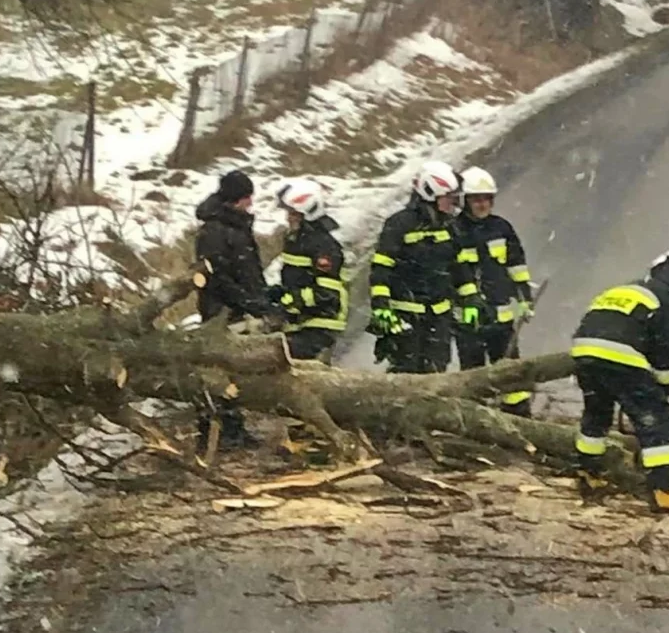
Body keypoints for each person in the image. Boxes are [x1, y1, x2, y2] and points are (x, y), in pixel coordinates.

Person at [570, 250, 669, 512]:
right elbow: (667, 352)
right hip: (619, 354)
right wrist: (660, 391)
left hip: (584, 351)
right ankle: (663, 490)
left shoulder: (627, 289)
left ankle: (588, 473)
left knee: (597, 411)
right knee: (656, 418)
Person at [368, 160, 481, 373]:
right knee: (405, 372)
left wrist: (471, 297)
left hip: (439, 318)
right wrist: (381, 304)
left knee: (436, 372)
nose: (453, 204)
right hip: (406, 315)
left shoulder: (450, 227)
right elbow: (382, 267)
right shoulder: (399, 224)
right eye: (448, 198)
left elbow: (461, 268)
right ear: (431, 193)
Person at [193, 169, 272, 448]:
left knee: (234, 370)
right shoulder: (216, 231)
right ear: (236, 199)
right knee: (221, 371)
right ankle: (218, 430)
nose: (250, 203)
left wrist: (260, 296)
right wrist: (246, 301)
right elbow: (218, 278)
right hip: (222, 311)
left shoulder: (234, 225)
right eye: (247, 198)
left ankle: (232, 428)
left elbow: (246, 267)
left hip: (239, 307)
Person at [453, 166, 534, 416]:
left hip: (501, 315)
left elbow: (517, 264)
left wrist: (525, 298)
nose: (483, 204)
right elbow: (454, 272)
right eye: (477, 199)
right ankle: (477, 421)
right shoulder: (453, 230)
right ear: (465, 201)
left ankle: (519, 416)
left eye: (487, 198)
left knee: (511, 373)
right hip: (469, 318)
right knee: (473, 374)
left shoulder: (501, 228)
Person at [266, 179, 348, 361]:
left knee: (276, 356)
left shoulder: (324, 246)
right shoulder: (297, 240)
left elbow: (327, 294)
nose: (288, 218)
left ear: (307, 213)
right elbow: (298, 279)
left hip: (321, 324)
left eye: (293, 214)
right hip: (301, 322)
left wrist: (291, 300)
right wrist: (277, 293)